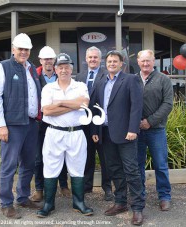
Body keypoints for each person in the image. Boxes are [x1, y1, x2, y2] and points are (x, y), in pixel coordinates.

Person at [0, 33, 42, 219]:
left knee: (28, 163)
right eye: (20, 48)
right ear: (13, 49)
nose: (23, 52)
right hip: (12, 125)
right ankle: (6, 203)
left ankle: (22, 197)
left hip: (30, 123)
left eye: (26, 49)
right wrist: (1, 125)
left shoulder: (31, 69)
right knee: (9, 165)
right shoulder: (2, 68)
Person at [92, 51, 145, 226]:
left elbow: (137, 107)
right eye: (109, 61)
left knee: (131, 170)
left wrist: (133, 129)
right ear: (105, 63)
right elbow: (96, 108)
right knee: (114, 169)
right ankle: (120, 202)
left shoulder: (130, 80)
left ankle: (137, 207)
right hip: (106, 133)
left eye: (115, 61)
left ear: (121, 64)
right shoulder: (100, 82)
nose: (112, 63)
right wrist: (95, 130)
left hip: (126, 134)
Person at [36, 53, 93, 218]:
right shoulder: (48, 88)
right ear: (55, 69)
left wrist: (59, 103)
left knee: (77, 168)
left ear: (71, 69)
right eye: (60, 67)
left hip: (76, 133)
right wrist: (74, 105)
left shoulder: (80, 86)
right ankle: (48, 204)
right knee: (51, 168)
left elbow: (84, 104)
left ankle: (78, 202)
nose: (64, 70)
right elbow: (46, 110)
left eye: (67, 67)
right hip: (54, 132)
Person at [31, 46, 71, 202]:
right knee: (39, 157)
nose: (48, 61)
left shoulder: (61, 75)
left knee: (61, 153)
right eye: (45, 59)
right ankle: (39, 189)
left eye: (50, 59)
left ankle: (64, 186)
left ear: (54, 61)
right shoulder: (33, 75)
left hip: (57, 121)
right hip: (39, 122)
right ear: (40, 60)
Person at [136, 49, 173, 211]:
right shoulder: (132, 79)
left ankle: (164, 196)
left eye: (148, 61)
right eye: (143, 61)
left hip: (156, 129)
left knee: (160, 164)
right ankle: (139, 195)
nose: (145, 63)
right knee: (137, 165)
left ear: (153, 62)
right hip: (135, 130)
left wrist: (150, 122)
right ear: (138, 62)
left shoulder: (163, 79)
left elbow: (168, 104)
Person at [75, 46, 113, 201]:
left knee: (105, 158)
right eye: (90, 57)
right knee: (86, 156)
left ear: (100, 59)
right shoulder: (79, 75)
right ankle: (86, 186)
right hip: (83, 124)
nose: (92, 60)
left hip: (101, 123)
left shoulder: (107, 75)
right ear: (86, 59)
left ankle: (107, 188)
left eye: (95, 57)